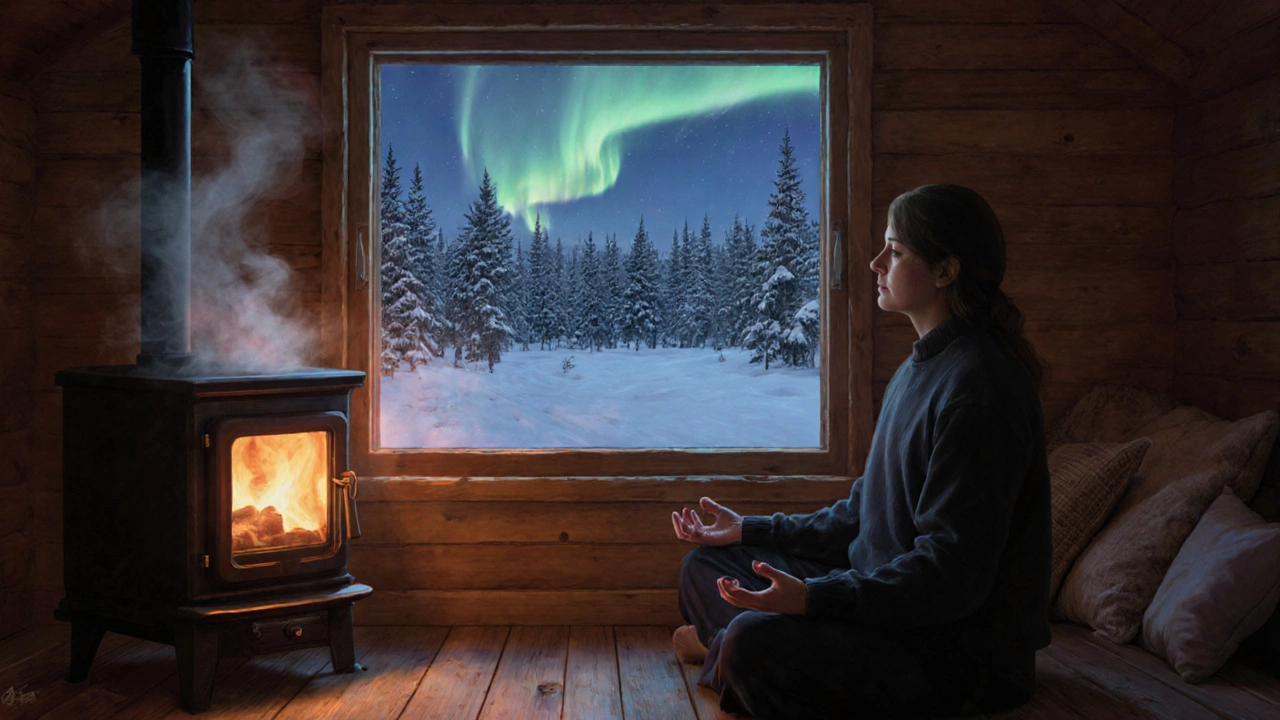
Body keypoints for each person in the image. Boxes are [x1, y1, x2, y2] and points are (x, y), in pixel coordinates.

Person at [671, 184, 1052, 719]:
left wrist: (813, 599)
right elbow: (862, 513)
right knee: (705, 565)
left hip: (958, 653)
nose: (875, 262)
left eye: (895, 252)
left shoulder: (980, 389)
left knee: (751, 644)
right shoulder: (921, 367)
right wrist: (748, 531)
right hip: (879, 605)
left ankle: (721, 650)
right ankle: (726, 647)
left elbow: (950, 578)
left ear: (946, 271)